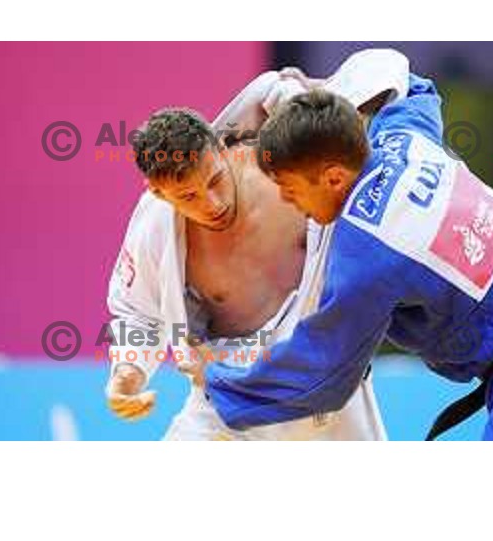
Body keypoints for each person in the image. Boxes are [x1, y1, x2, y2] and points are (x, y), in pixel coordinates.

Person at [196, 70, 493, 441]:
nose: (288, 204)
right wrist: (321, 95)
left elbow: (321, 374)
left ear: (334, 178)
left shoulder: (365, 250)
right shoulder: (402, 135)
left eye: (290, 189)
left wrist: (219, 383)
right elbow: (410, 82)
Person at [105, 49, 409, 440]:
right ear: (159, 194)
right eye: (188, 197)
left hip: (322, 385)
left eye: (214, 180)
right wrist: (128, 371)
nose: (211, 204)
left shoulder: (287, 164)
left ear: (220, 149)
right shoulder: (156, 226)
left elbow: (379, 75)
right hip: (225, 395)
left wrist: (297, 95)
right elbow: (137, 312)